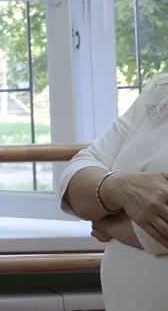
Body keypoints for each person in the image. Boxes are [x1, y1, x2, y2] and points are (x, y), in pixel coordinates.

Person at [58, 72, 168, 311]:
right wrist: (118, 187)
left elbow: (163, 232)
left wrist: (104, 219)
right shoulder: (161, 88)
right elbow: (75, 174)